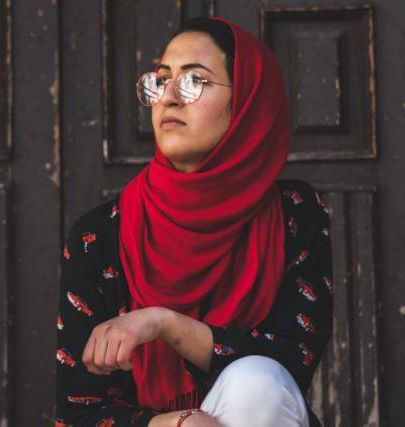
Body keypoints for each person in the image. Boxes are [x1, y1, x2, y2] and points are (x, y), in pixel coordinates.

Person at [54, 16, 333, 427]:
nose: (168, 97)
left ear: (246, 104)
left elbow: (292, 359)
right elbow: (79, 409)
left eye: (194, 81)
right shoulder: (98, 236)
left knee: (255, 384)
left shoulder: (294, 212)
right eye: (161, 80)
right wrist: (174, 424)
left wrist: (162, 322)